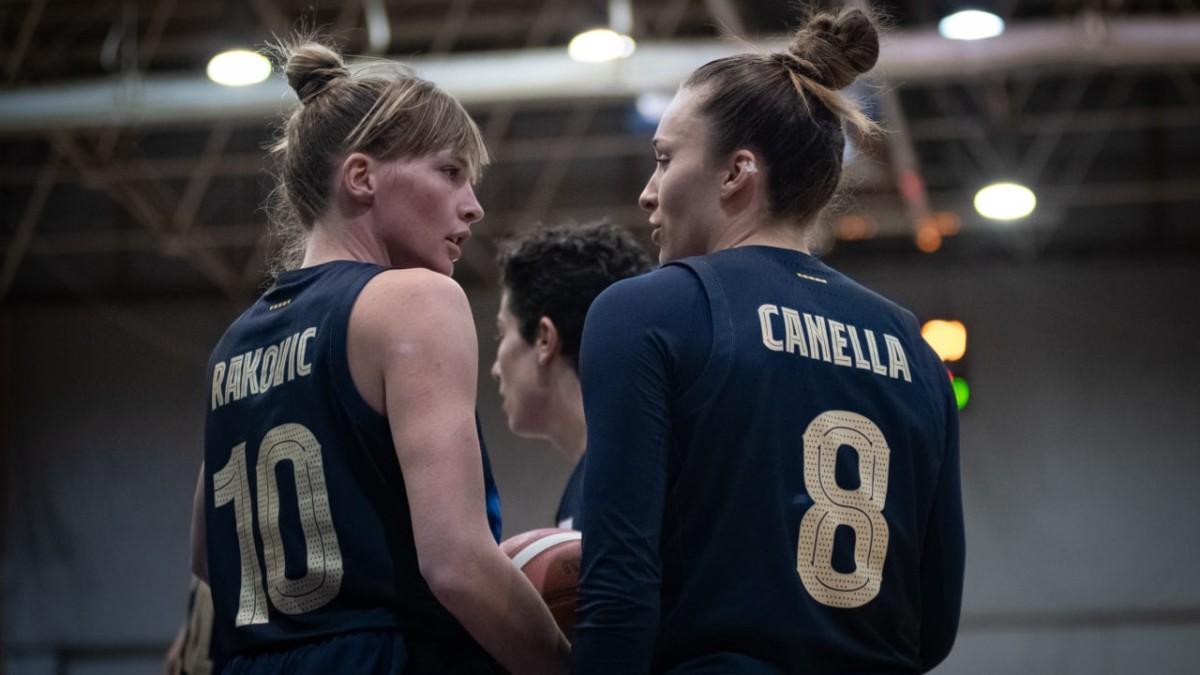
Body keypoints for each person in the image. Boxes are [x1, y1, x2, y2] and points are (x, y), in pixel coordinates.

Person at [573, 8, 965, 674]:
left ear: (737, 172)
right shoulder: (916, 350)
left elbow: (619, 591)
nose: (647, 192)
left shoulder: (645, 311)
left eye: (664, 159)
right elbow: (934, 627)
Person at [191, 38, 569, 674]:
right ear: (362, 177)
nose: (473, 205)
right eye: (450, 172)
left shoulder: (234, 343)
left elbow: (207, 558)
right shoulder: (414, 300)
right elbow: (456, 564)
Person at [491, 223, 652, 530]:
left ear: (545, 338)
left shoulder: (616, 482)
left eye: (502, 332)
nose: (495, 369)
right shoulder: (604, 474)